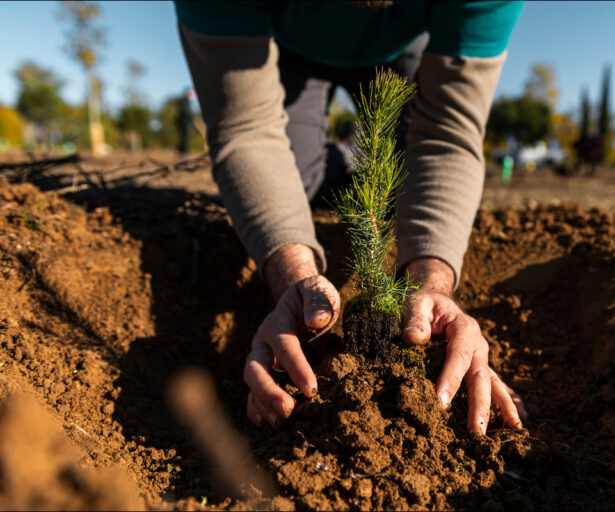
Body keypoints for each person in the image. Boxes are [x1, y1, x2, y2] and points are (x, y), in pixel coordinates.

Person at [175, 0, 528, 435]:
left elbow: (448, 133)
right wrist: (294, 279)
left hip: (410, 46)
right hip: (285, 45)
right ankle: (344, 166)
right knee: (295, 178)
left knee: (406, 175)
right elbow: (245, 128)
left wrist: (434, 287)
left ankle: (370, 171)